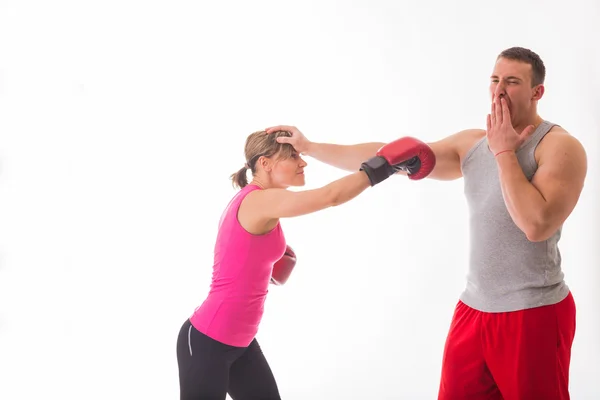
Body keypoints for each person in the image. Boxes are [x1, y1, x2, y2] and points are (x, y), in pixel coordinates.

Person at [265, 46, 588, 400]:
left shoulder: (559, 147)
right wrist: (310, 147)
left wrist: (505, 152)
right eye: (494, 80)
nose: (498, 90)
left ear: (536, 92)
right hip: (474, 309)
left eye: (511, 82)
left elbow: (536, 225)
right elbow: (391, 154)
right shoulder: (473, 144)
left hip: (533, 311)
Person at [175, 129, 436, 400]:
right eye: (292, 156)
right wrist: (383, 167)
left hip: (241, 343)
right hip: (208, 342)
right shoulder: (258, 199)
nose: (303, 163)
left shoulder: (263, 201)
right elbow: (329, 196)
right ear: (265, 164)